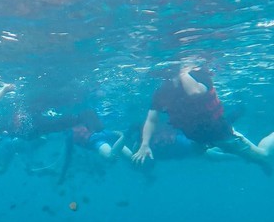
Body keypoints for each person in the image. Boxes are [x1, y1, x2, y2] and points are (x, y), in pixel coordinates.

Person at [132, 62, 274, 173]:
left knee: (263, 155)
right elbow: (151, 120)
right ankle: (248, 157)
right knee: (203, 154)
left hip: (221, 134)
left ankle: (257, 157)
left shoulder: (199, 76)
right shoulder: (161, 93)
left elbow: (194, 93)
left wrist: (182, 73)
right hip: (198, 138)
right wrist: (145, 145)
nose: (166, 75)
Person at [58, 109, 132, 184]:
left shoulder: (68, 134)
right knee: (132, 159)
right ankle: (122, 136)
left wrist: (62, 175)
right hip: (106, 133)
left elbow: (68, 157)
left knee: (110, 156)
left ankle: (124, 136)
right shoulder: (80, 120)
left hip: (96, 141)